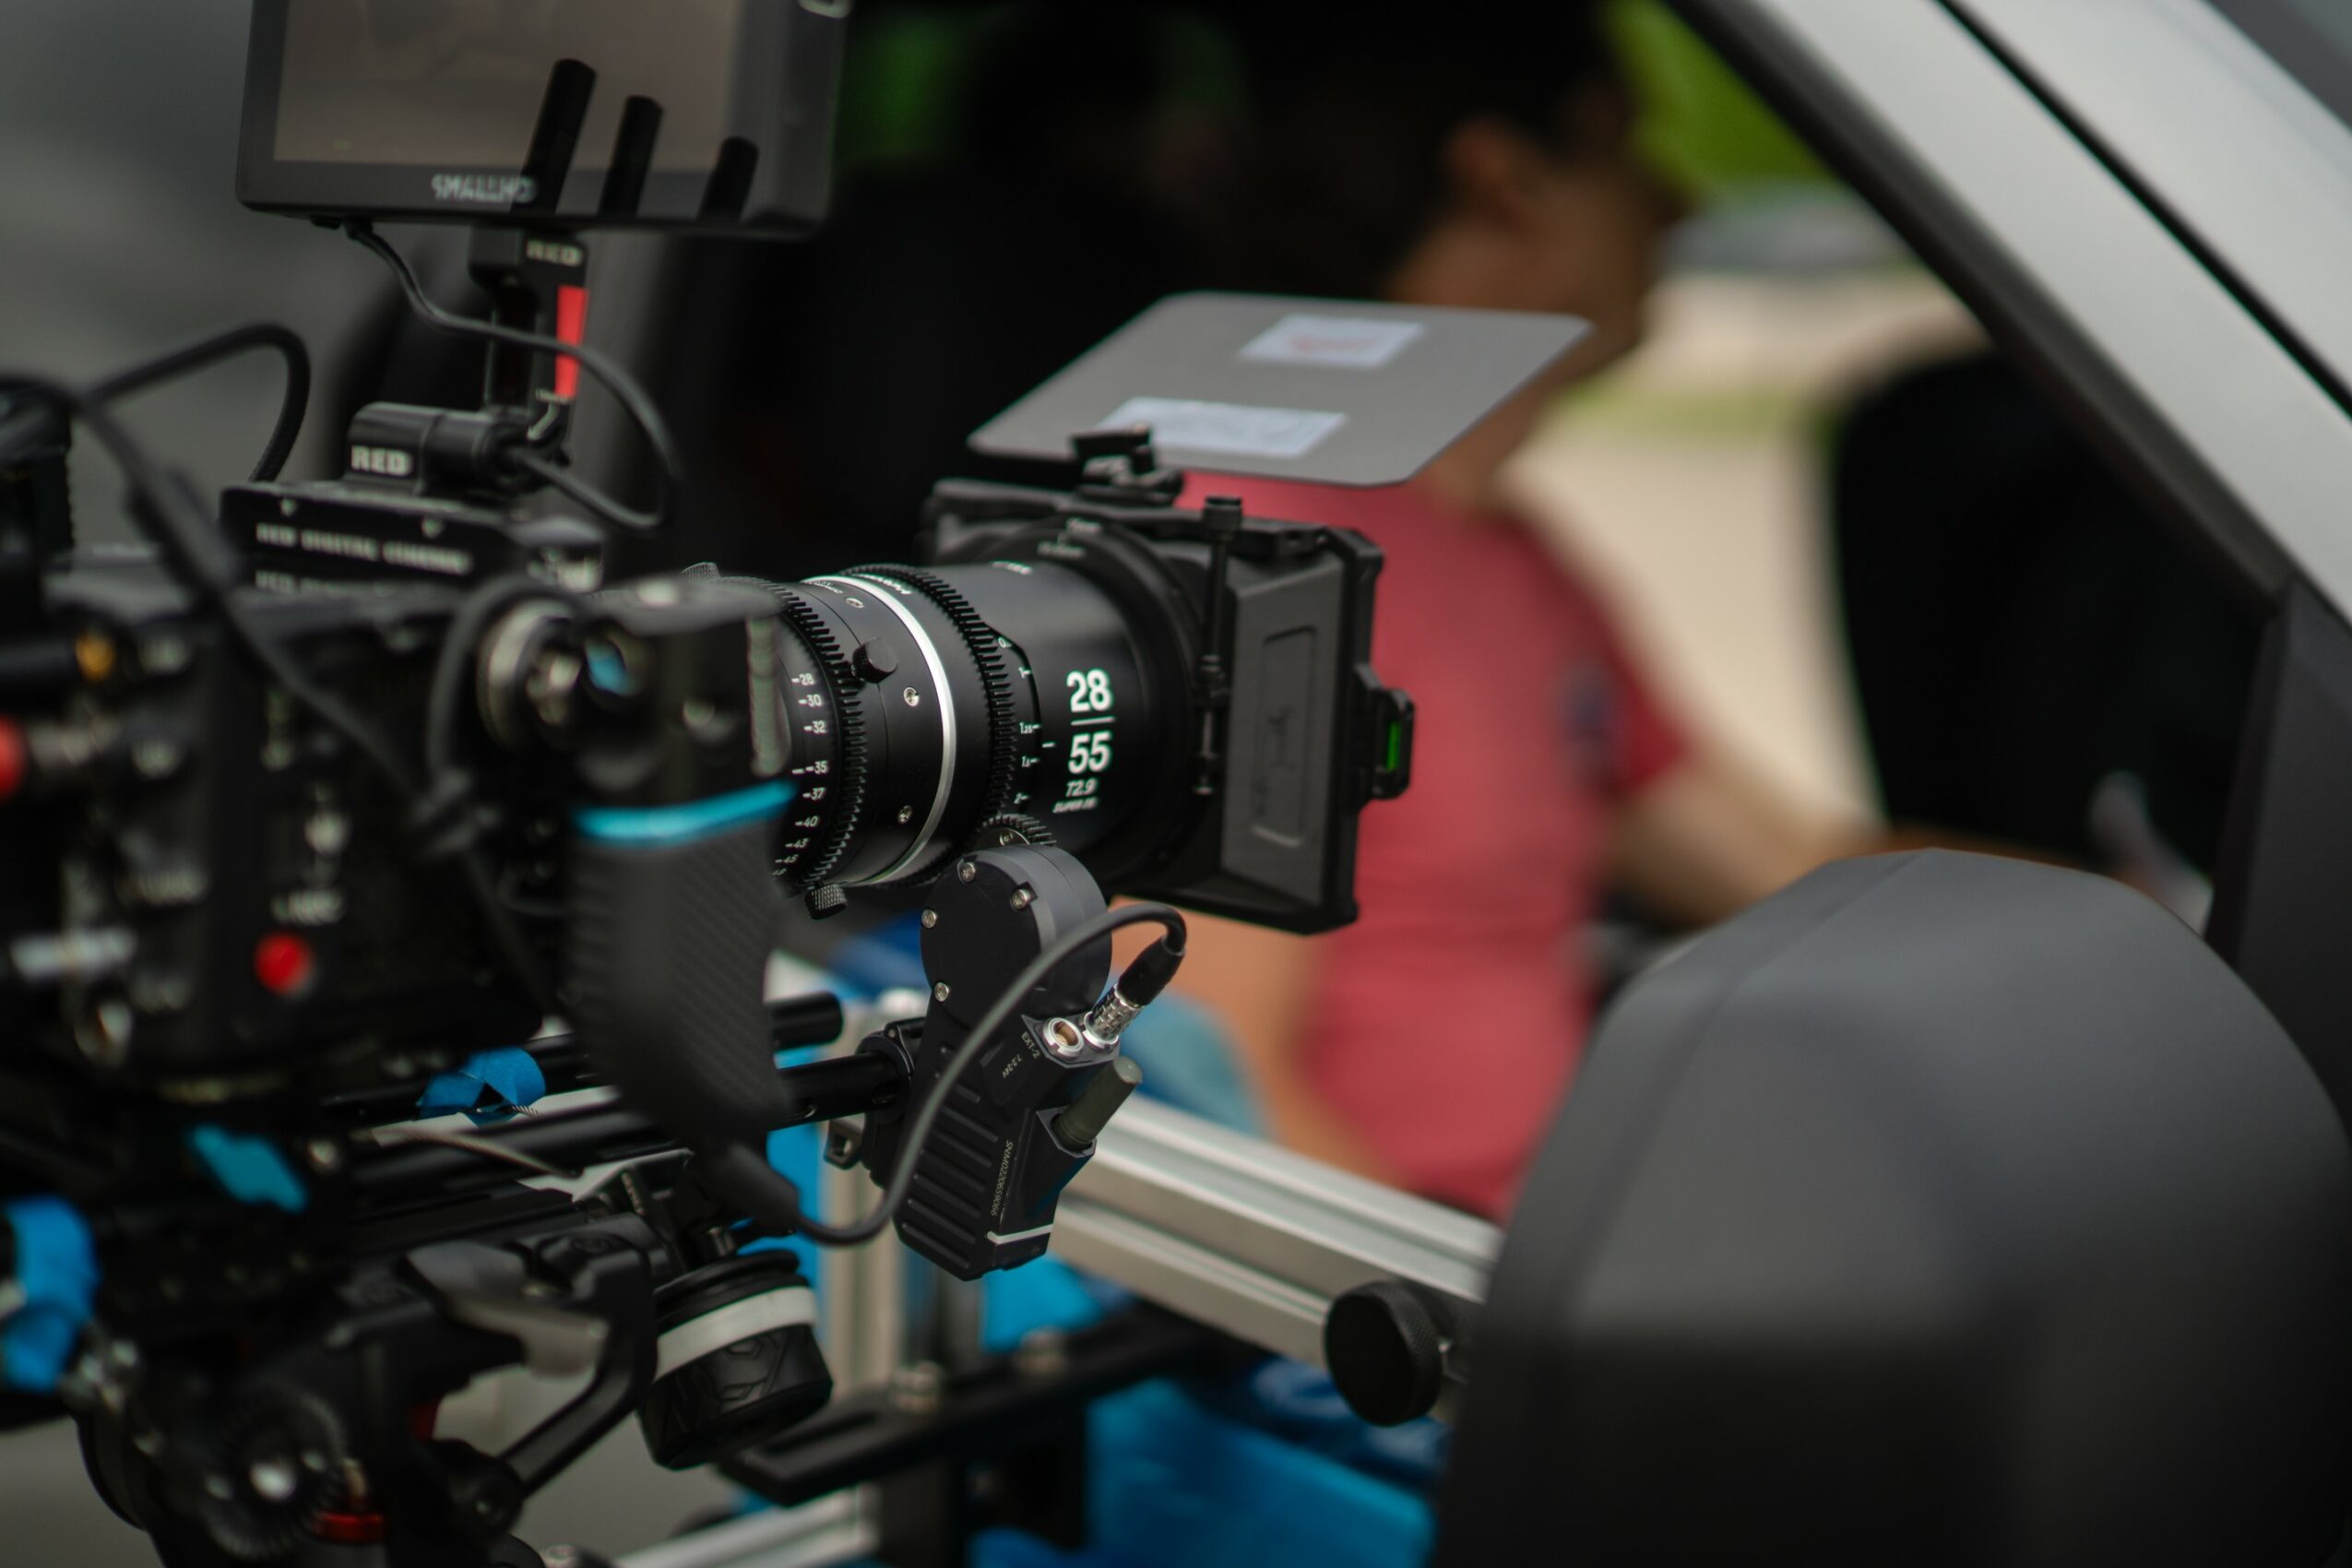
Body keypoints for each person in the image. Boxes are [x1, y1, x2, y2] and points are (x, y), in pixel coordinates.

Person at [1158, 12, 1871, 1220]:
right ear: (1506, 181)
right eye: (1625, 150)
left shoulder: (1513, 555)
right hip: (1393, 1339)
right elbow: (1218, 1099)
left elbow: (1786, 871)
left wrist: (2117, 915)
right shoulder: (1257, 566)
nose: (1679, 204)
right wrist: (1481, 1360)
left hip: (1558, 1254)